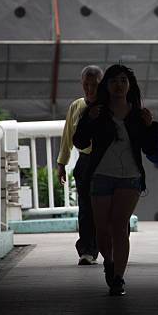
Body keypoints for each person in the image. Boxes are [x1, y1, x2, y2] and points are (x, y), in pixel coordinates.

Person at [73, 64, 158, 296]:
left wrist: (149, 127)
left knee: (120, 226)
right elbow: (79, 142)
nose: (118, 85)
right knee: (102, 229)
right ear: (106, 86)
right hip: (100, 175)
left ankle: (119, 277)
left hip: (130, 177)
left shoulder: (137, 114)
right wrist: (88, 120)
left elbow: (150, 147)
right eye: (113, 81)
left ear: (129, 85)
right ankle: (108, 262)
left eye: (123, 80)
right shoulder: (96, 112)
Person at [57, 65, 103, 266]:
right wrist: (61, 163)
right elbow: (67, 136)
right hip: (84, 163)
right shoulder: (76, 106)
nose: (90, 89)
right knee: (85, 209)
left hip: (106, 162)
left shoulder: (110, 106)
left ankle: (114, 246)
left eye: (95, 85)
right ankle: (87, 250)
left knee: (110, 210)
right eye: (86, 84)